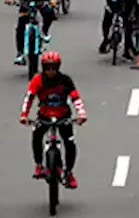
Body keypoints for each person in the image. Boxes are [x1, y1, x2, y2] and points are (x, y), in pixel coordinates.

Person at [19, 51, 86, 188]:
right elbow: (29, 97)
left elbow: (75, 98)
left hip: (63, 117)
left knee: (70, 143)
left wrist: (81, 114)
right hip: (44, 116)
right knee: (36, 136)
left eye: (54, 67)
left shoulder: (65, 80)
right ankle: (39, 165)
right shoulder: (37, 80)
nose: (51, 71)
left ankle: (69, 172)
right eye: (48, 68)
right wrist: (24, 115)